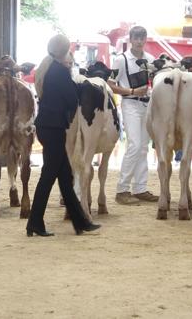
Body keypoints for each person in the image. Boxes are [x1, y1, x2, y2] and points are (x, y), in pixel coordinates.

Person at [26, 34, 100, 237]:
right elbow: (71, 99)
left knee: (65, 177)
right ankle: (35, 222)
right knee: (49, 176)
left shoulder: (48, 68)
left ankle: (79, 222)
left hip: (48, 126)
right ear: (64, 51)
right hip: (53, 128)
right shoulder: (60, 71)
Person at [108, 26, 159, 205]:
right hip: (130, 104)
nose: (139, 41)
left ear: (145, 39)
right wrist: (131, 90)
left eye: (142, 38)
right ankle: (122, 190)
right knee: (135, 145)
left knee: (143, 147)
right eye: (136, 38)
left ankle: (140, 188)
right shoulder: (120, 60)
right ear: (130, 39)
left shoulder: (150, 59)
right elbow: (110, 83)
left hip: (147, 105)